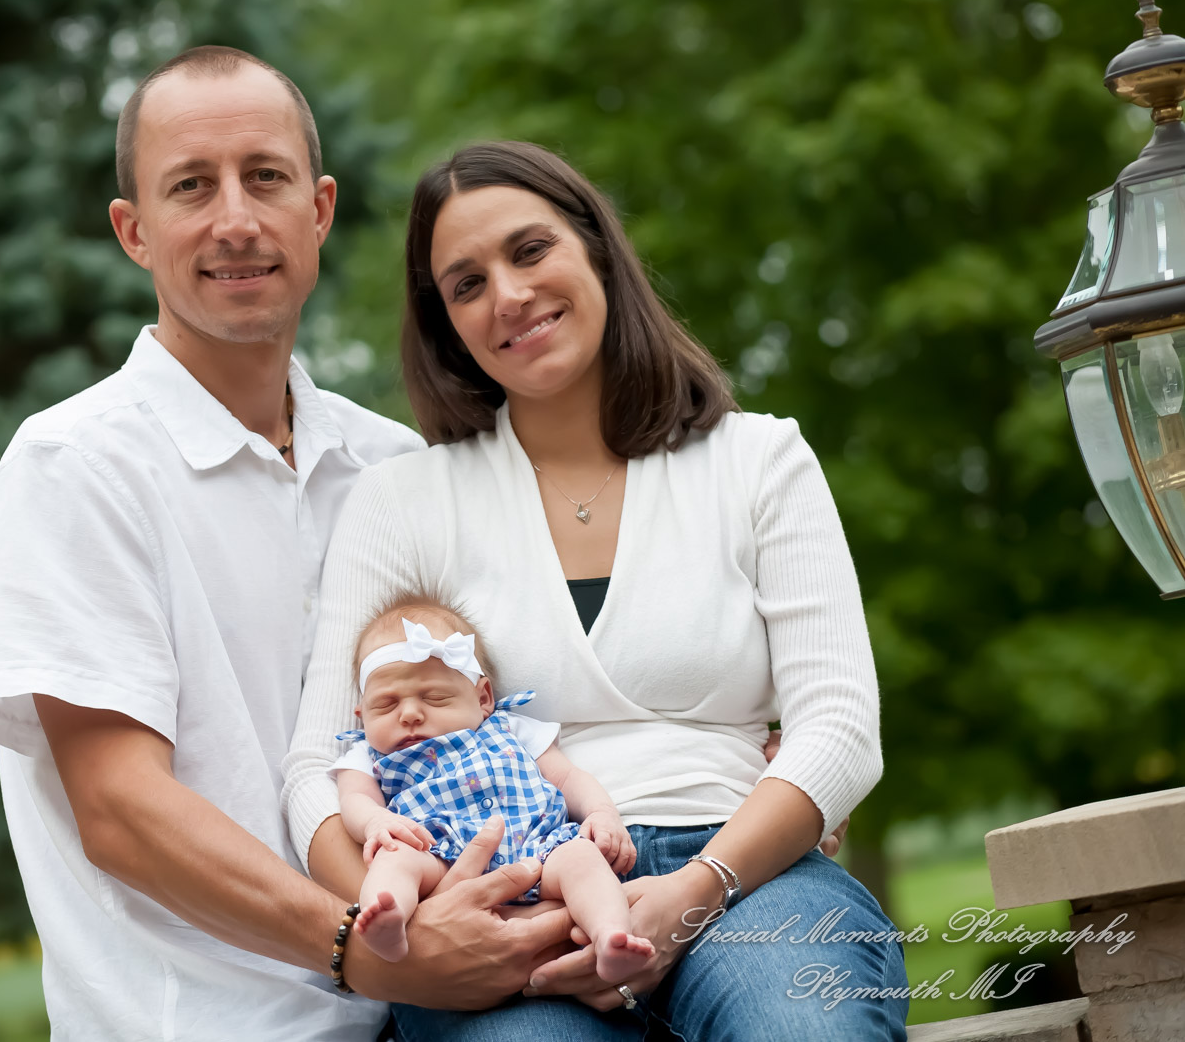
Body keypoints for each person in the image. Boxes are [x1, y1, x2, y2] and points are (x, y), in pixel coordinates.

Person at [0, 50, 578, 1041]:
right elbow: (120, 807)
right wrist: (372, 945)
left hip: (440, 1011)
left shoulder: (395, 466)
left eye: (266, 176)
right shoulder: (72, 467)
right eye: (191, 186)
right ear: (135, 231)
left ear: (320, 209)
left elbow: (513, 695)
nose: (236, 219)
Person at [282, 140, 910, 1040]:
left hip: (742, 875)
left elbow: (841, 728)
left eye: (530, 251)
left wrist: (695, 892)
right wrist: (413, 935)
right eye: (465, 284)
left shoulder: (759, 461)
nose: (508, 295)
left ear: (596, 250)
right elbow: (317, 766)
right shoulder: (403, 503)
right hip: (507, 905)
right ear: (446, 324)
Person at [334, 594, 655, 983]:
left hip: (540, 848)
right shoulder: (365, 755)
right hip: (439, 854)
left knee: (583, 857)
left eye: (435, 697)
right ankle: (390, 922)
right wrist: (375, 823)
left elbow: (568, 778)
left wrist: (602, 813)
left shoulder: (511, 727)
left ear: (483, 698)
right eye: (385, 705)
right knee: (393, 858)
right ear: (361, 715)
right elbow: (354, 799)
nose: (410, 714)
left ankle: (611, 936)